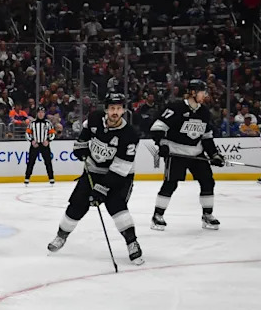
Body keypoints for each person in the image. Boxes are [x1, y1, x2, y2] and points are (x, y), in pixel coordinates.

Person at [47, 93, 143, 264]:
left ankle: (132, 242)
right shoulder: (94, 119)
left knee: (117, 207)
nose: (115, 112)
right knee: (77, 204)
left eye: (119, 108)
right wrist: (81, 149)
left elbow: (120, 168)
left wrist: (102, 189)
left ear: (123, 110)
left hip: (120, 177)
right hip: (93, 171)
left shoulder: (129, 135)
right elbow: (83, 138)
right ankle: (61, 236)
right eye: (112, 108)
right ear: (106, 109)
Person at [149, 79, 223, 230]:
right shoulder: (175, 107)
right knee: (171, 183)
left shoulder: (204, 112)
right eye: (203, 92)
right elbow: (157, 128)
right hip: (176, 153)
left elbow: (206, 137)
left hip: (196, 152)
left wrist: (214, 154)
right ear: (193, 92)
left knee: (208, 181)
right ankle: (157, 216)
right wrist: (162, 144)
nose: (205, 95)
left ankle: (207, 215)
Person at [24, 106, 56, 185]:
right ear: (37, 113)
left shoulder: (48, 123)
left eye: (42, 112)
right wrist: (32, 141)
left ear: (44, 113)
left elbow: (52, 133)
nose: (41, 114)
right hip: (35, 144)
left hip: (45, 145)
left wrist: (48, 140)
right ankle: (27, 178)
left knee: (48, 162)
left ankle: (51, 178)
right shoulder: (32, 123)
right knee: (31, 162)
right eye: (39, 112)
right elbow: (27, 133)